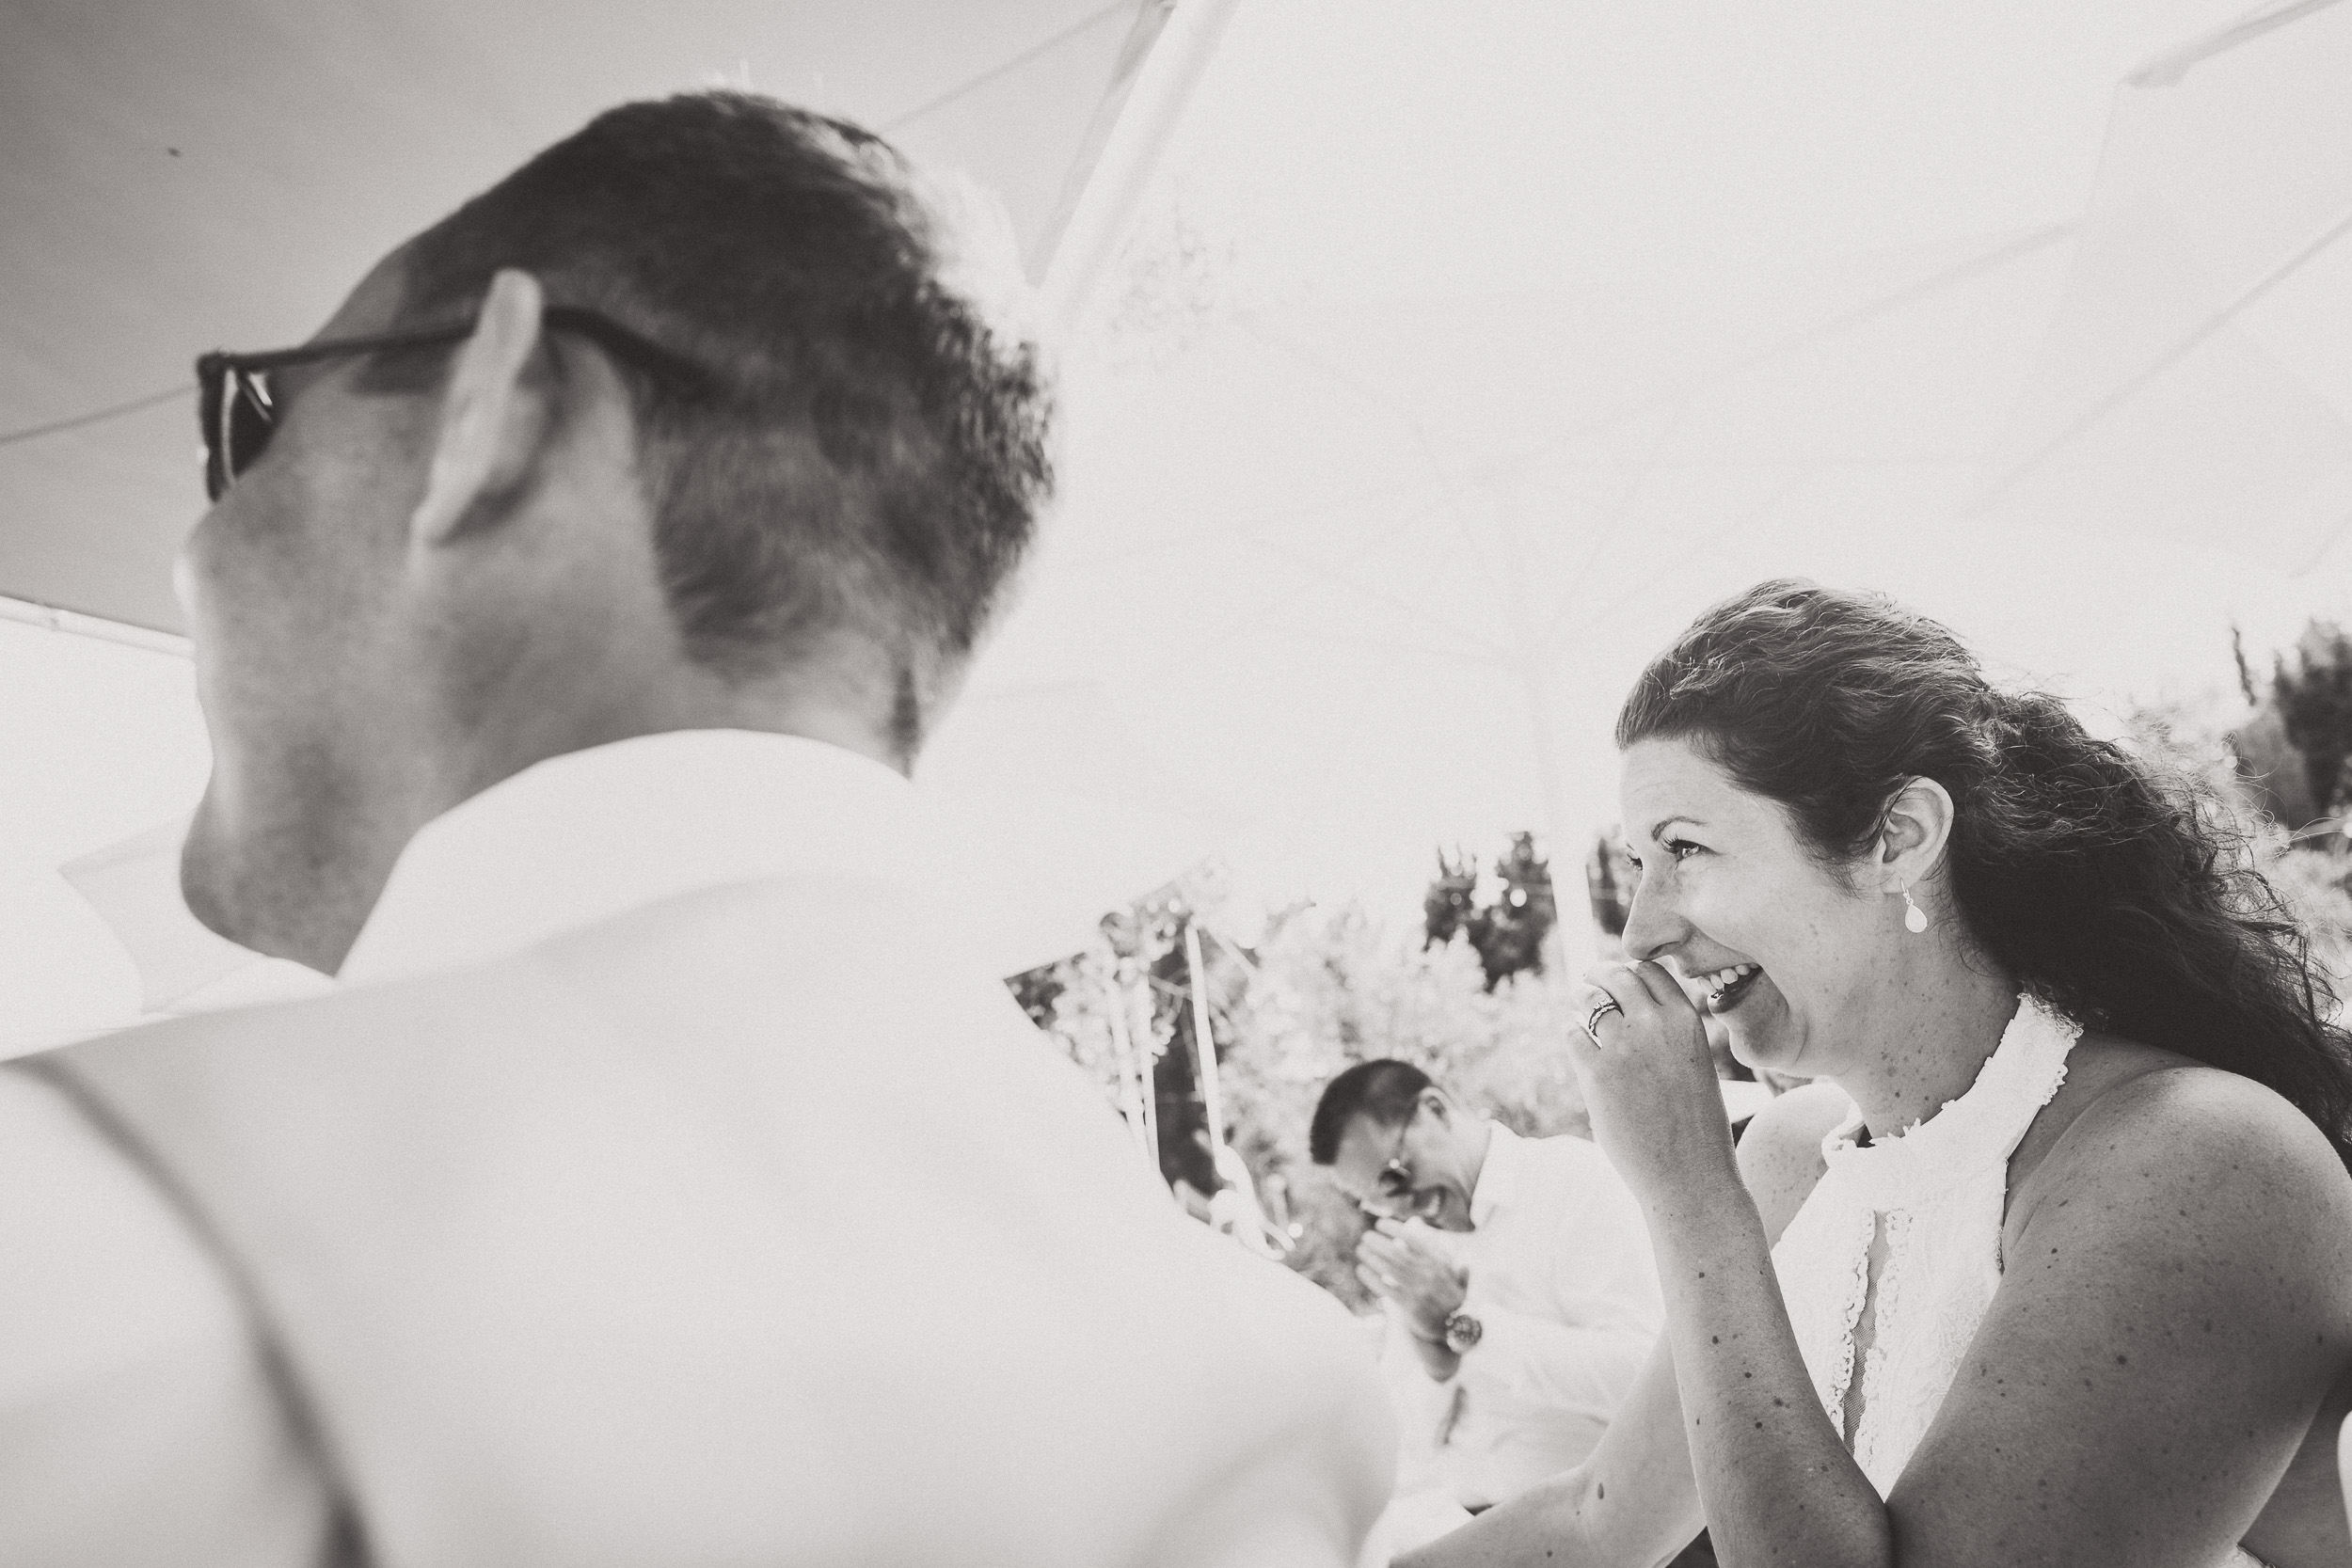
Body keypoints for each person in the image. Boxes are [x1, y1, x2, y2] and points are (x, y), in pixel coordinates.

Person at [0, 92, 1391, 1565]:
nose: (193, 544)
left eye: (252, 424)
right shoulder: (1276, 1397)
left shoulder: (84, 1250)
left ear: (495, 413)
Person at [1404, 579, 2352, 1568]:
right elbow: (1597, 1520)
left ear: (1898, 839)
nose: (1644, 926)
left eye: (1685, 847)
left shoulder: (2196, 1160)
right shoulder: (1789, 1157)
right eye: (1641, 859)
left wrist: (1690, 1199)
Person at [1311, 1061, 1661, 1553]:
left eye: (1394, 1177)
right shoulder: (1414, 1253)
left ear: (1436, 1109)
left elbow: (1644, 1379)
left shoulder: (1572, 1179)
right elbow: (1410, 1446)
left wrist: (1466, 1325)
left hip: (1607, 1527)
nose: (1399, 1209)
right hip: (1467, 1522)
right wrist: (1437, 1362)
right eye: (1373, 1203)